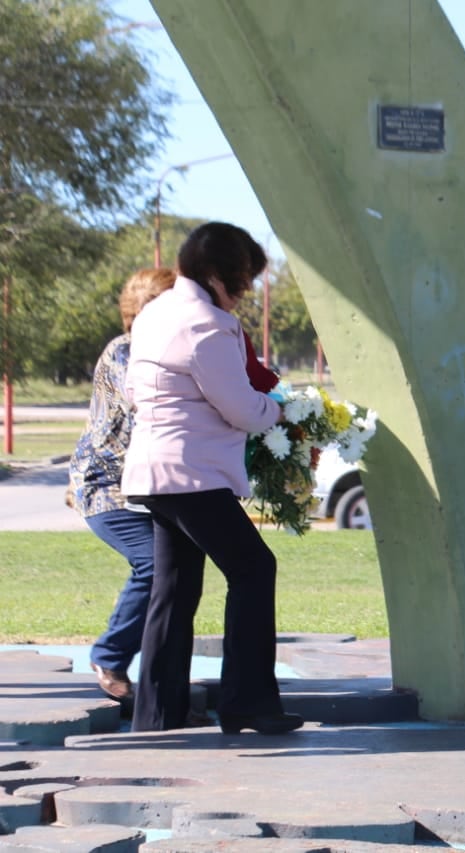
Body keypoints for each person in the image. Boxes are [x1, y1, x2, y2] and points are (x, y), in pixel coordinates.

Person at [123, 221, 302, 735]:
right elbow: (243, 408)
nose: (245, 293)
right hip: (192, 473)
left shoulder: (154, 312)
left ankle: (156, 715)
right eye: (243, 280)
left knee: (174, 589)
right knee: (253, 568)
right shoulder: (208, 324)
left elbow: (138, 391)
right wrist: (281, 413)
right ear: (217, 274)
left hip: (153, 469)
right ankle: (247, 704)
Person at [69, 268, 177, 703]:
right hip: (106, 488)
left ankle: (159, 686)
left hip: (146, 486)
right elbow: (147, 403)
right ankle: (110, 657)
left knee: (177, 572)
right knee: (154, 564)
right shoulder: (126, 352)